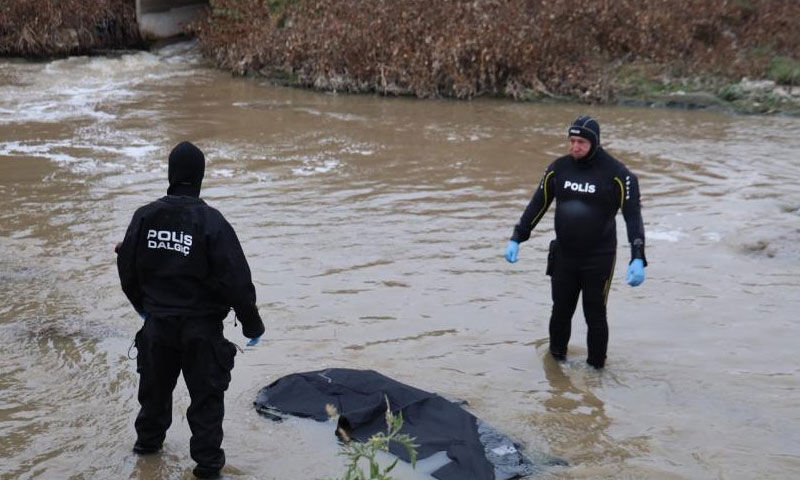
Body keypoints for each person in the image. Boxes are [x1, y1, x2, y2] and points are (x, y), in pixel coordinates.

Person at [116, 141, 265, 479]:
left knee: (152, 399)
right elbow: (237, 280)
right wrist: (252, 325)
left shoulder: (145, 216)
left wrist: (144, 308)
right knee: (206, 405)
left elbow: (126, 267)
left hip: (157, 328)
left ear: (170, 175)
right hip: (202, 331)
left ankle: (145, 464)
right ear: (200, 177)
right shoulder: (212, 222)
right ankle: (208, 469)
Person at [504, 115, 646, 369]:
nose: (575, 147)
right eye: (572, 141)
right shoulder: (558, 168)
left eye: (581, 142)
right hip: (564, 255)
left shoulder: (618, 175)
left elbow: (633, 216)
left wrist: (638, 256)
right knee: (560, 311)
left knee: (595, 314)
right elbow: (538, 204)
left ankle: (596, 371)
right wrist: (517, 237)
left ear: (594, 142)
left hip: (599, 257)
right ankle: (556, 368)